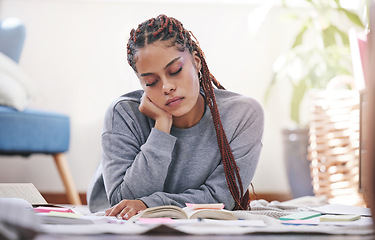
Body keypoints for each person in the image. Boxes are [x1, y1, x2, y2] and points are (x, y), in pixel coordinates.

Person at [87, 14, 264, 220]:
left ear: (196, 62)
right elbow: (125, 202)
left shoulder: (242, 114)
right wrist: (162, 126)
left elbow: (223, 197)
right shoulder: (123, 113)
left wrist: (151, 204)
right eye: (151, 82)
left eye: (175, 70)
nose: (166, 87)